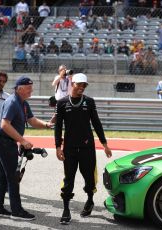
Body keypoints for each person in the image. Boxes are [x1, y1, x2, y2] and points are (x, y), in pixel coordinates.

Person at [0, 76, 53, 219]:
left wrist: (45, 124)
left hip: (6, 142)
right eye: (29, 88)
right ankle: (16, 211)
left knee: (3, 177)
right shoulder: (13, 102)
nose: (31, 90)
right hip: (4, 142)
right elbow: (4, 125)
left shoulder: (23, 103)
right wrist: (22, 140)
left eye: (31, 87)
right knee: (13, 177)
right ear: (20, 89)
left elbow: (31, 120)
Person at [55, 73, 112, 225]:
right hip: (69, 148)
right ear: (71, 83)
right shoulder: (61, 103)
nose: (81, 87)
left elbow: (97, 123)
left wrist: (104, 144)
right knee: (69, 179)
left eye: (84, 85)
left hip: (87, 147)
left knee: (89, 178)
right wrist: (57, 147)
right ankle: (66, 209)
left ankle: (90, 200)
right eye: (79, 84)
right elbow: (58, 127)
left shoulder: (89, 102)